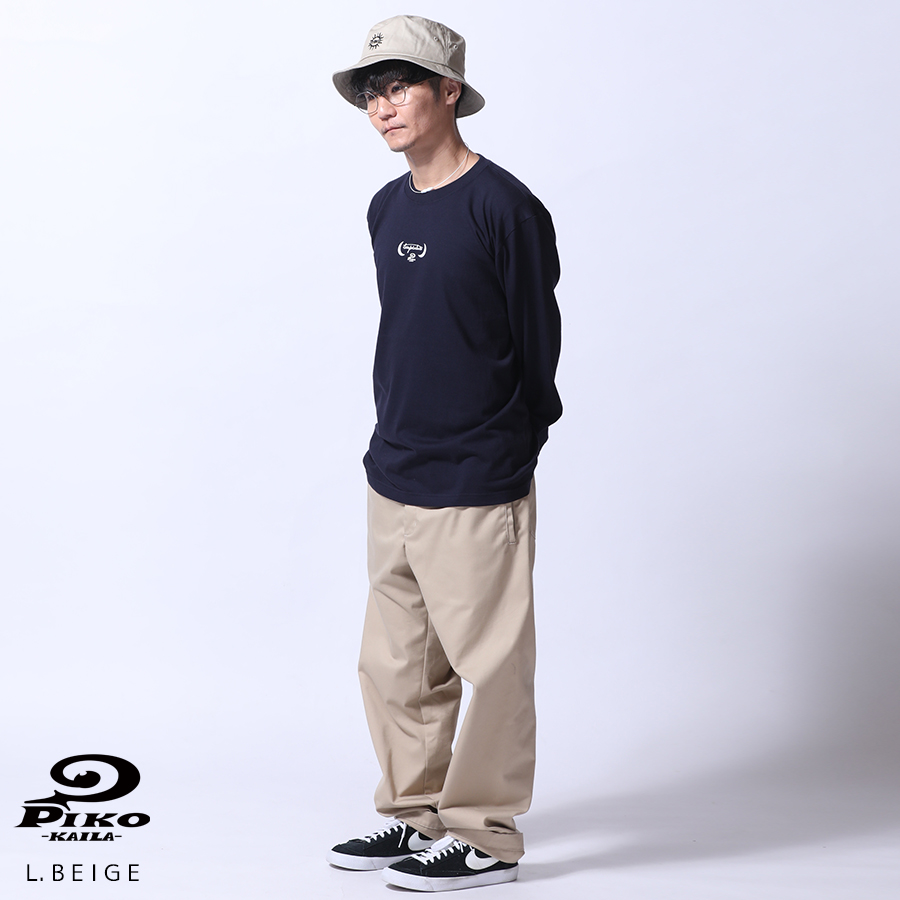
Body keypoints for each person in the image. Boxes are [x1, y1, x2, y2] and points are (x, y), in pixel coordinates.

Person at [327, 15, 562, 892]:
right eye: (372, 93)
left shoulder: (505, 207)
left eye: (400, 87)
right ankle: (415, 813)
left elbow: (536, 345)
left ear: (449, 91)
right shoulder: (386, 208)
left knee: (490, 666)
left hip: (476, 475)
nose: (383, 107)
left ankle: (484, 836)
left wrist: (510, 445)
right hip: (395, 470)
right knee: (395, 664)